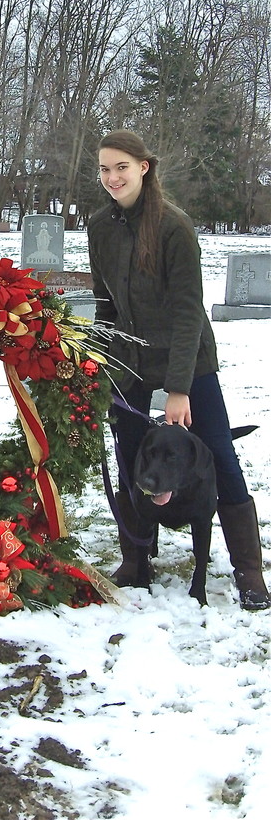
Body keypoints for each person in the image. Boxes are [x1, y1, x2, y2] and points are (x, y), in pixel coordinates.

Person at [88, 129, 269, 611]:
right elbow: (106, 304)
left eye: (121, 167)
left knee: (218, 455)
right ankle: (137, 559)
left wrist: (178, 388)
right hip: (129, 365)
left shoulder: (173, 226)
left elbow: (189, 311)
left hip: (187, 361)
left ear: (144, 167)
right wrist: (102, 363)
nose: (112, 177)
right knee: (132, 458)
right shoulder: (100, 225)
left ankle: (249, 571)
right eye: (104, 169)